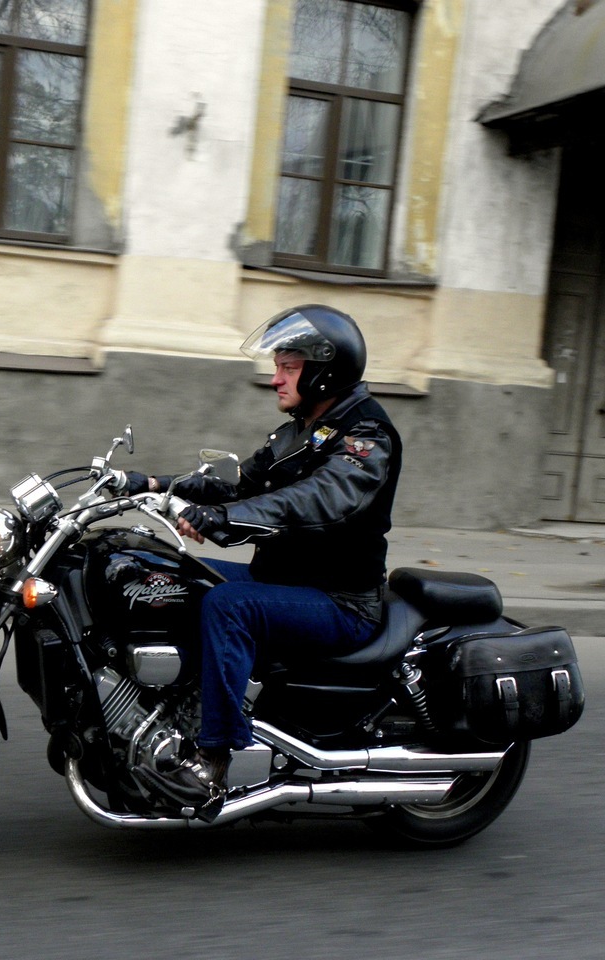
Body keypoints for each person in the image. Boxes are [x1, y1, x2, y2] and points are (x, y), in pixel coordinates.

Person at [123, 303, 402, 821]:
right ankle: (169, 712)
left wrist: (223, 519)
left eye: (288, 367)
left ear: (325, 370)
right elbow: (239, 484)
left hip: (340, 601)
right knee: (167, 575)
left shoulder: (366, 435)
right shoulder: (301, 430)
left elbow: (318, 499)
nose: (276, 379)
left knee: (229, 605)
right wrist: (154, 483)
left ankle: (214, 758)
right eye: (277, 366)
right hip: (283, 579)